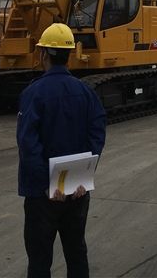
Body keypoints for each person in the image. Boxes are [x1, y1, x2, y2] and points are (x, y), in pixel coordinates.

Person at [17, 22, 106, 278]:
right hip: (77, 191)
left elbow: (28, 144)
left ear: (43, 53)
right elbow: (97, 135)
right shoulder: (86, 92)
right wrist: (80, 178)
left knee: (39, 260)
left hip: (43, 194)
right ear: (70, 54)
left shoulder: (34, 93)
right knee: (76, 252)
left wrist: (48, 183)